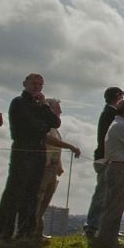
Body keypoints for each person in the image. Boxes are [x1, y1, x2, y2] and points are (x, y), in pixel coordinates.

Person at [0, 73, 61, 244]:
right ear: (25, 84)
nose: (37, 87)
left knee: (32, 193)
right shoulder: (18, 102)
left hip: (38, 150)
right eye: (34, 83)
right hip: (23, 149)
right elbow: (30, 125)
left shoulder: (40, 105)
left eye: (40, 84)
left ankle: (25, 232)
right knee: (15, 190)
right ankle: (4, 231)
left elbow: (55, 123)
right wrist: (43, 124)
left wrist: (44, 107)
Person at [91, 99, 124, 248]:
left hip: (118, 165)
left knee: (114, 203)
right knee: (115, 205)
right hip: (120, 166)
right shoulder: (121, 126)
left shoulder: (119, 125)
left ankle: (107, 238)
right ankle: (107, 239)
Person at [33, 98, 83, 236]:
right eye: (57, 108)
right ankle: (32, 229)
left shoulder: (54, 127)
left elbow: (55, 148)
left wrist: (59, 166)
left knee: (46, 199)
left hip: (52, 168)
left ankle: (37, 230)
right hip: (45, 166)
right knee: (39, 198)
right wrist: (70, 146)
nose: (60, 111)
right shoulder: (45, 125)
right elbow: (50, 141)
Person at [84, 86, 124, 239]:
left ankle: (97, 225)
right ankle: (93, 225)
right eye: (121, 96)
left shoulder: (108, 113)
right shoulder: (112, 114)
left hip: (104, 156)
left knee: (105, 193)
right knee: (103, 193)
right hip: (107, 157)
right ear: (117, 97)